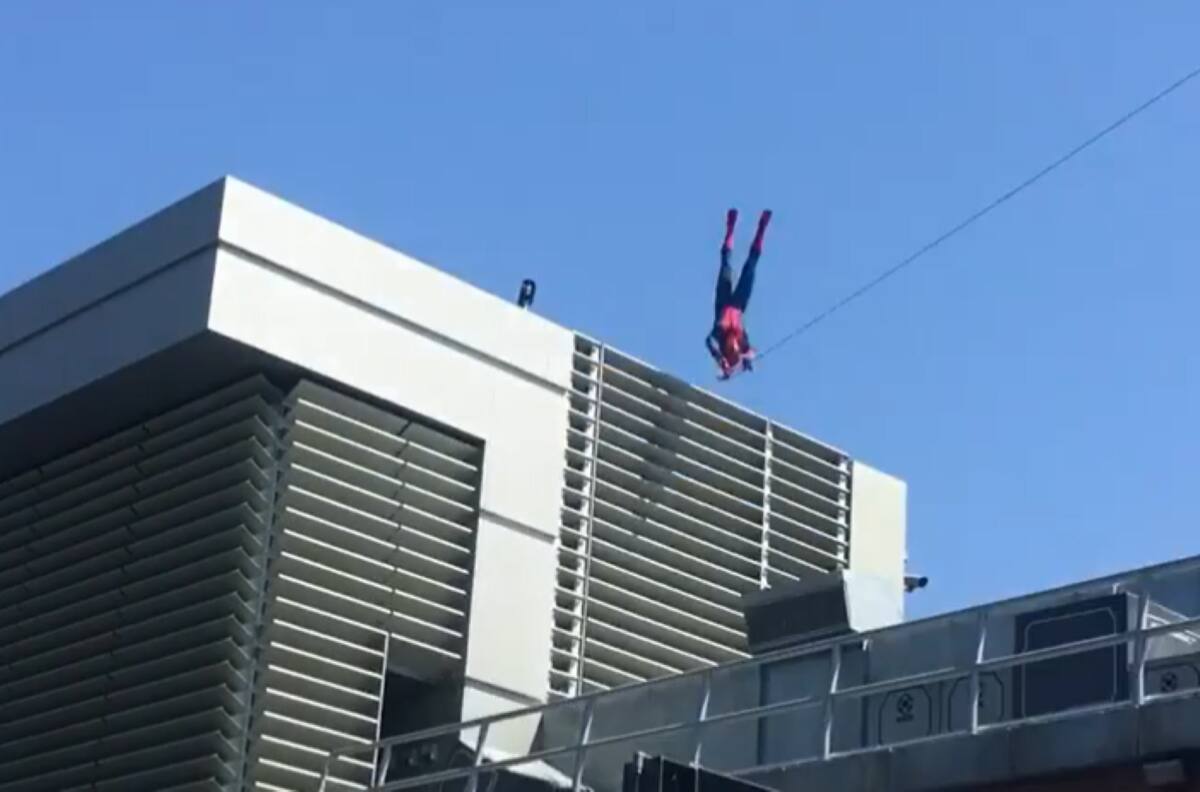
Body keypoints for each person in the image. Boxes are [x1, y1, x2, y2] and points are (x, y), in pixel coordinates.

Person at [706, 208, 772, 379]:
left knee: (726, 263)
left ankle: (730, 228)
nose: (734, 346)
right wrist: (748, 358)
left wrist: (719, 358)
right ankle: (762, 228)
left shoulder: (719, 336)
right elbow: (750, 351)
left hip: (724, 299)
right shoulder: (742, 342)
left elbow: (709, 341)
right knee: (751, 266)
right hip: (739, 303)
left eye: (731, 349)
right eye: (736, 349)